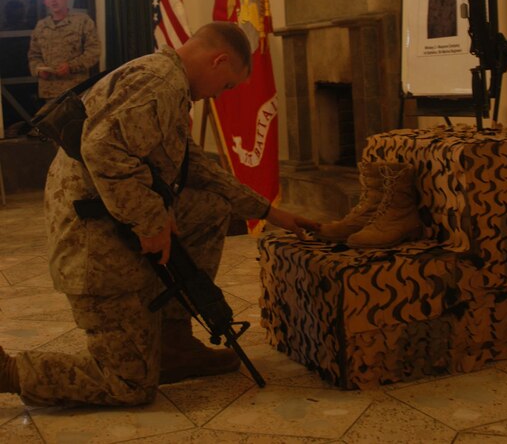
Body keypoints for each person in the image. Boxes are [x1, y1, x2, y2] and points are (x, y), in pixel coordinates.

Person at [0, 22, 320, 406]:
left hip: (111, 219)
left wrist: (269, 212)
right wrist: (151, 222)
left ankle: (173, 344)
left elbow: (193, 166)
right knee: (129, 385)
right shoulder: (160, 83)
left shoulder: (169, 83)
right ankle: (10, 372)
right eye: (227, 85)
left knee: (209, 208)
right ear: (218, 61)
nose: (220, 96)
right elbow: (104, 151)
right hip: (93, 243)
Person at [27, 0, 101, 103]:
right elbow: (34, 55)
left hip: (76, 90)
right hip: (49, 92)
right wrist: (39, 70)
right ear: (45, 1)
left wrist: (71, 66)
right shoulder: (41, 26)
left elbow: (94, 52)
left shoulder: (82, 21)